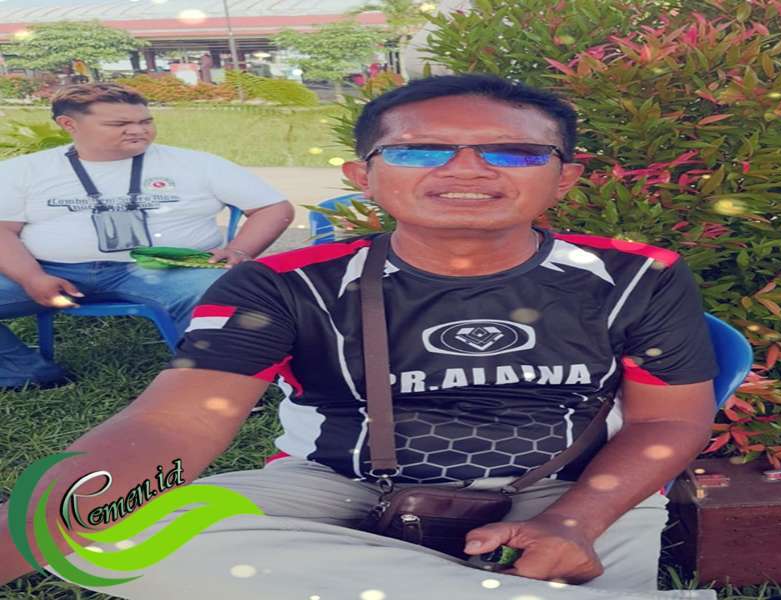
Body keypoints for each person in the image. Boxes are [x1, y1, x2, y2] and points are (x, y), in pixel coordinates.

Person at [0, 75, 719, 599]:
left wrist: (575, 522)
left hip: (566, 489)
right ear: (362, 176)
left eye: (514, 153)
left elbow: (667, 420)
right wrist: (25, 528)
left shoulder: (638, 276)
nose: (466, 170)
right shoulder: (281, 283)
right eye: (419, 152)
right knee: (103, 536)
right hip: (332, 488)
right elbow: (174, 423)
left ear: (564, 178)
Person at [0, 83, 294, 389]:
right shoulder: (25, 170)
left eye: (145, 121)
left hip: (172, 268)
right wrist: (31, 277)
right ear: (69, 124)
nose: (138, 131)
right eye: (119, 124)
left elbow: (273, 207)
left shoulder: (197, 164)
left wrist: (240, 250)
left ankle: (216, 384)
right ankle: (23, 372)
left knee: (222, 291)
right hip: (51, 269)